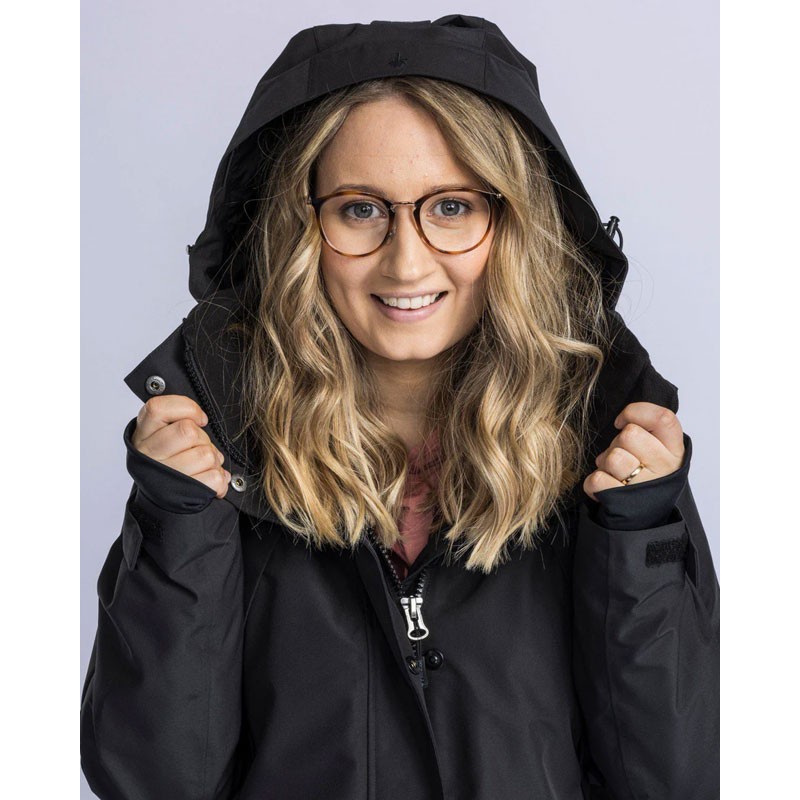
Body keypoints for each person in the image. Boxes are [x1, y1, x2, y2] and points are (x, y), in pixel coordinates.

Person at [80, 14, 719, 800]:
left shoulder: (608, 452)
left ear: (511, 221)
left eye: (451, 207)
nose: (407, 261)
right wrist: (178, 526)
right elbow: (152, 782)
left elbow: (681, 778)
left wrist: (637, 537)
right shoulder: (218, 456)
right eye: (360, 209)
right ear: (301, 225)